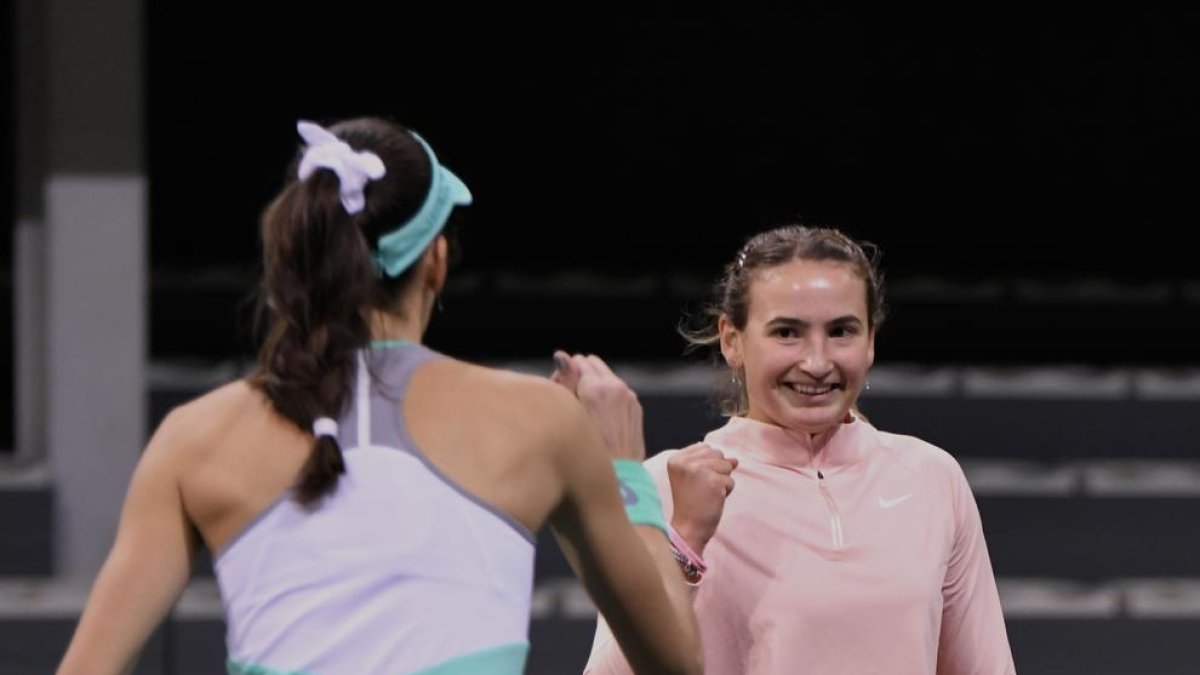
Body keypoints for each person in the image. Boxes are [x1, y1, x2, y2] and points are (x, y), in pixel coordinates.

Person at [55, 116, 702, 675]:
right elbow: (672, 662)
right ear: (436, 260)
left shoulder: (193, 438)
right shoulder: (541, 421)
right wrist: (626, 472)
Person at [564, 224, 1016, 674]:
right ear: (732, 340)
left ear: (871, 341)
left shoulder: (932, 477)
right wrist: (684, 538)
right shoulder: (665, 484)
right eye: (786, 333)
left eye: (842, 331)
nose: (817, 362)